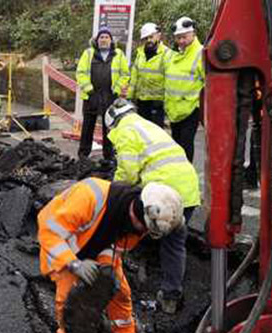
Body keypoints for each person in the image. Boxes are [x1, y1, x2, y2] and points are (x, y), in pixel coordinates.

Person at [38, 178, 184, 333]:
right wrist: (74, 264)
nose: (144, 233)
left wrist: (105, 270)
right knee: (69, 300)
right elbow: (49, 231)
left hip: (96, 251)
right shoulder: (89, 196)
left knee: (119, 291)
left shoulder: (138, 222)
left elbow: (116, 247)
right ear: (141, 212)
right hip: (63, 251)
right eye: (145, 229)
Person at [105, 98, 201, 314]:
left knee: (127, 223)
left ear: (113, 122)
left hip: (163, 194)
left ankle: (119, 279)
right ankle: (170, 296)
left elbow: (127, 175)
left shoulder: (125, 131)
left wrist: (110, 192)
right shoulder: (149, 126)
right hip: (188, 191)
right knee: (174, 242)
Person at [75, 27, 129, 162]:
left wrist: (116, 90)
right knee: (88, 126)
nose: (104, 40)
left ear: (111, 41)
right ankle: (83, 154)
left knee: (109, 127)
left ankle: (109, 155)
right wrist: (89, 89)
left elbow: (125, 74)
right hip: (91, 95)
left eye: (106, 37)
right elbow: (80, 73)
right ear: (96, 40)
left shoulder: (119, 54)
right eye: (101, 37)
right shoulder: (88, 54)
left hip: (110, 95)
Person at [163, 17, 205, 164]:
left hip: (190, 109)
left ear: (193, 34)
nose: (181, 41)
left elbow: (208, 82)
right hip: (174, 110)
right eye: (178, 38)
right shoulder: (173, 54)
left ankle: (186, 177)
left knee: (186, 146)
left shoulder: (200, 54)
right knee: (176, 147)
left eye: (184, 37)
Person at [128, 23, 170, 128]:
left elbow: (170, 79)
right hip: (142, 101)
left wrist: (167, 101)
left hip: (157, 101)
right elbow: (134, 77)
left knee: (156, 132)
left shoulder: (166, 53)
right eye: (145, 38)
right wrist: (129, 97)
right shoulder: (140, 54)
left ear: (158, 36)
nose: (148, 40)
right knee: (143, 131)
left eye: (151, 37)